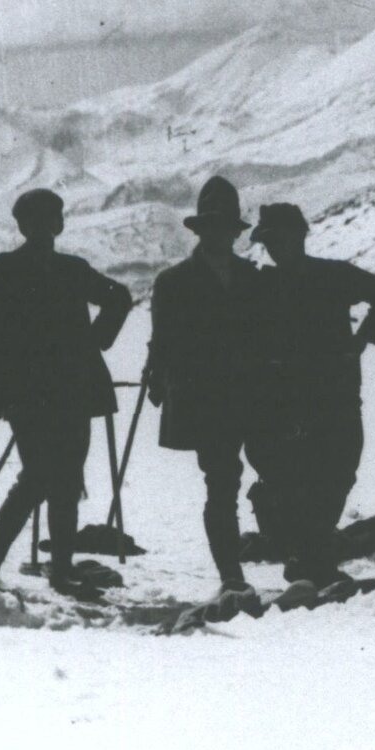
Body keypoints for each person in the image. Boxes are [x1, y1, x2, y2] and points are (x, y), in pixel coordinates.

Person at [0, 188, 134, 594]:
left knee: (52, 478)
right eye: (41, 220)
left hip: (47, 390)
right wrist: (93, 341)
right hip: (46, 391)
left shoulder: (12, 269)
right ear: (28, 226)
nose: (46, 228)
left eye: (50, 220)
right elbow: (120, 298)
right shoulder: (54, 269)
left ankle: (37, 570)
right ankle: (10, 568)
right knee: (45, 477)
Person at [248, 202, 375, 588]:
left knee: (339, 470)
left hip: (336, 395)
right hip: (286, 401)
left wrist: (362, 340)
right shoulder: (261, 284)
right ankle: (306, 554)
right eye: (268, 242)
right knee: (290, 478)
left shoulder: (333, 275)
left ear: (299, 236)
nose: (274, 248)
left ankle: (312, 549)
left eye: (279, 239)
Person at [146, 177, 265, 598]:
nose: (219, 233)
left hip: (254, 396)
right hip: (206, 398)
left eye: (225, 225)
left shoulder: (253, 278)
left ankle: (288, 551)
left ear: (235, 230)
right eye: (211, 225)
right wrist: (156, 379)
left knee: (273, 474)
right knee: (223, 481)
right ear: (201, 230)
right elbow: (162, 340)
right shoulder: (173, 282)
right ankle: (231, 573)